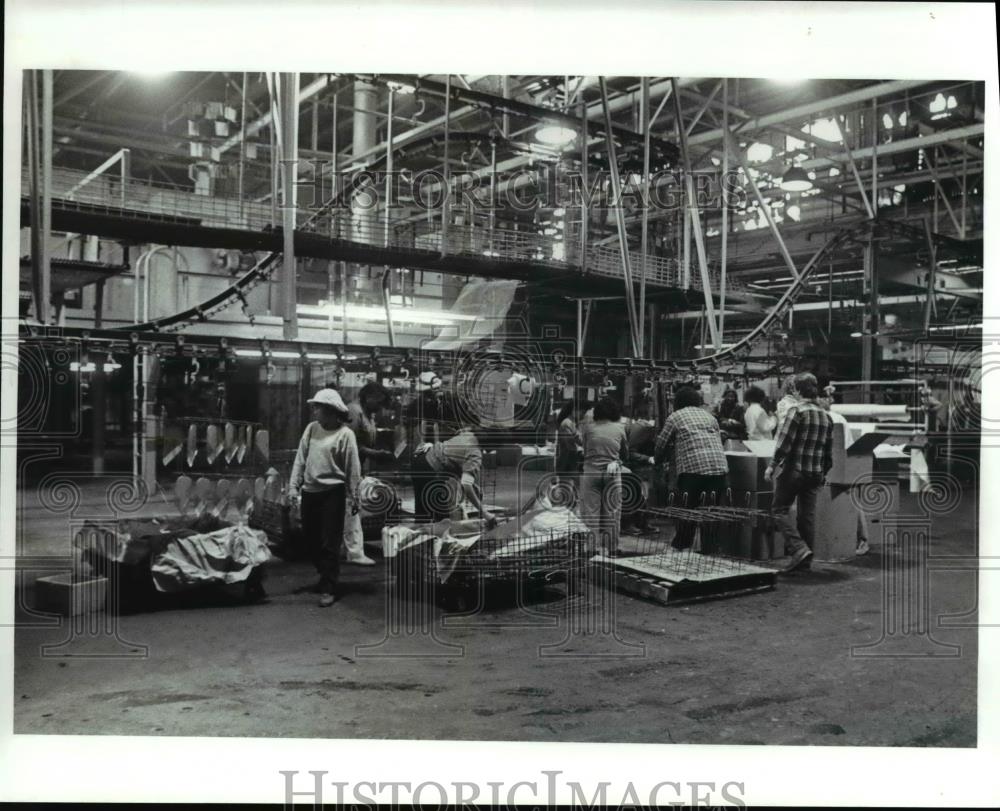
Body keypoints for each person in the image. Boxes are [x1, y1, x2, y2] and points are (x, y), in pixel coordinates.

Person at [288, 389, 362, 607]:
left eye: (318, 407)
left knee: (330, 542)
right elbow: (300, 459)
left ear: (330, 411)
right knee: (310, 539)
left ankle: (329, 586)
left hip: (333, 493)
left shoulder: (345, 435)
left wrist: (355, 497)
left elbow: (353, 468)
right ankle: (325, 574)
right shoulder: (311, 429)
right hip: (310, 491)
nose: (315, 411)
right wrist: (293, 487)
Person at [765, 372, 834, 572]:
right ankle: (804, 562)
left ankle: (799, 548)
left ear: (796, 390)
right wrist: (823, 473)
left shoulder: (797, 411)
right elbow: (828, 453)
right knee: (807, 517)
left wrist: (772, 465)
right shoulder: (826, 416)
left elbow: (784, 443)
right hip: (815, 473)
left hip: (795, 471)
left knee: (779, 510)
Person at [654, 386, 730, 550]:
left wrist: (658, 460)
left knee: (688, 510)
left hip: (692, 470)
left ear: (677, 402)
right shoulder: (710, 417)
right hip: (719, 468)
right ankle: (709, 548)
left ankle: (680, 546)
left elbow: (661, 444)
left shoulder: (675, 417)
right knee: (710, 510)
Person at [411, 399, 497, 527]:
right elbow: (466, 486)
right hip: (430, 469)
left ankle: (417, 542)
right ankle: (436, 542)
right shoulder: (475, 454)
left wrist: (474, 488)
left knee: (422, 512)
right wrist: (485, 513)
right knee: (441, 518)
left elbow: (458, 465)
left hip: (420, 460)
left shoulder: (469, 435)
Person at [343, 382, 395, 567]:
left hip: (358, 467)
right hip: (347, 468)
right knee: (351, 508)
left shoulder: (366, 414)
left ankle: (350, 547)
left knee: (351, 508)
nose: (379, 408)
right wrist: (376, 454)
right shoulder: (353, 412)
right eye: (378, 403)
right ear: (369, 396)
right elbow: (349, 444)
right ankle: (354, 551)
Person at [819, 397, 871, 556]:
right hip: (848, 463)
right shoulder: (839, 417)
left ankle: (862, 540)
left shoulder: (824, 419)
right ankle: (862, 540)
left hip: (836, 466)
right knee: (854, 501)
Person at [579, 397, 630, 555]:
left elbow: (585, 451)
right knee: (613, 513)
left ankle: (591, 549)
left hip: (591, 473)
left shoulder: (588, 428)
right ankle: (612, 549)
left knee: (591, 513)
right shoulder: (620, 428)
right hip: (612, 473)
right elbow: (625, 454)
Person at [554, 400, 584, 487]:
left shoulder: (572, 423)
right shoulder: (566, 423)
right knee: (567, 491)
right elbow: (569, 445)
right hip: (566, 463)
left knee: (571, 491)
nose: (582, 415)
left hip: (570, 463)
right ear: (575, 410)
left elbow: (578, 440)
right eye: (582, 412)